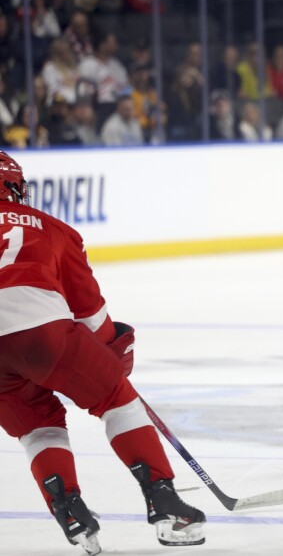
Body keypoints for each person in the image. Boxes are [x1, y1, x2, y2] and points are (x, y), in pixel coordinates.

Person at [0, 152, 205, 553]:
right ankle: (166, 508)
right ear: (14, 187)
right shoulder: (53, 229)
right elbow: (91, 313)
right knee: (118, 400)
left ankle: (71, 513)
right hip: (45, 336)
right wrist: (114, 352)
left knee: (38, 427)